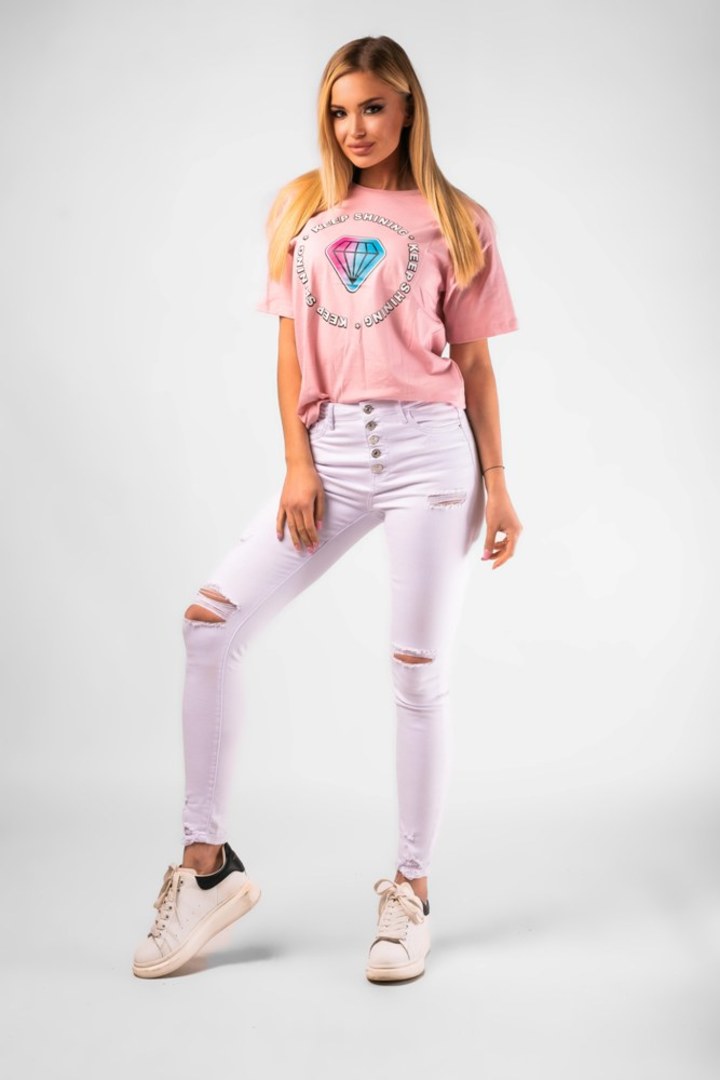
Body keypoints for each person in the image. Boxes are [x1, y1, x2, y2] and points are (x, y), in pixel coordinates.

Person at [132, 33, 522, 984]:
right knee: (209, 625)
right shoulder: (301, 209)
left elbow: (474, 363)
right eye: (340, 111)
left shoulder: (458, 219)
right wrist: (297, 464)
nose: (355, 128)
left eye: (373, 108)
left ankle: (410, 891)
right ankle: (207, 868)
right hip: (332, 454)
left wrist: (500, 480)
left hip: (431, 455)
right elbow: (288, 349)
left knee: (416, 672)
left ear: (408, 109)